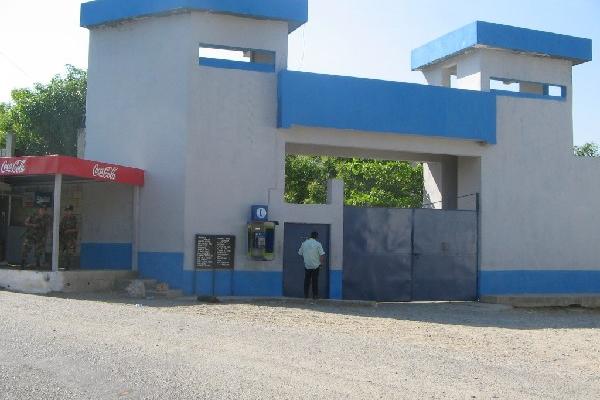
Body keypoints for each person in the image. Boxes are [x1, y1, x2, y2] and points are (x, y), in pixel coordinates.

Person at [298, 231, 326, 300]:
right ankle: (315, 296)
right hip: (315, 266)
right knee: (315, 280)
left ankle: (306, 295)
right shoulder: (318, 244)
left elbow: (300, 253)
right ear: (316, 237)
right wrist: (321, 264)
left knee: (306, 280)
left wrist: (307, 255)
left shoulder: (304, 243)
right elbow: (322, 255)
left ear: (310, 236)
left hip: (307, 265)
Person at [60, 205, 78, 270]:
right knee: (62, 253)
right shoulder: (64, 219)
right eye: (66, 211)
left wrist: (69, 231)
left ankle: (69, 267)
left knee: (70, 254)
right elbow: (60, 228)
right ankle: (63, 266)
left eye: (69, 211)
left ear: (72, 211)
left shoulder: (74, 219)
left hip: (71, 240)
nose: (67, 212)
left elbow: (76, 229)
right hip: (63, 239)